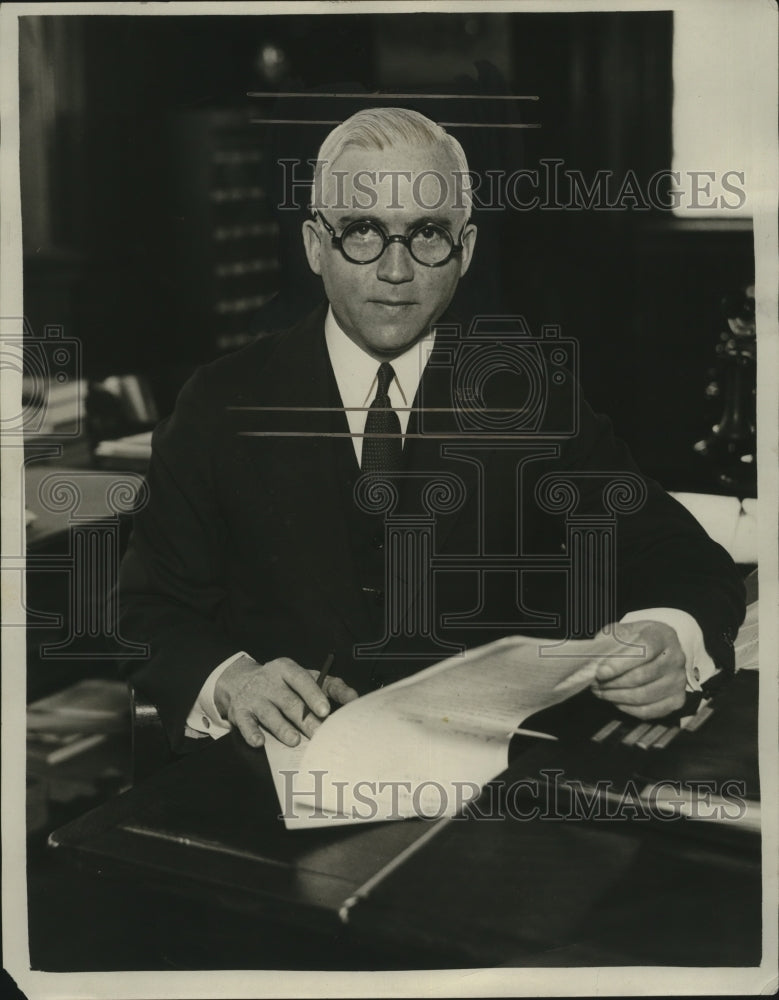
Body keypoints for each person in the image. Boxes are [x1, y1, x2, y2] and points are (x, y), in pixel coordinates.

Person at [119, 107, 745, 755]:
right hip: (272, 787)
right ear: (313, 244)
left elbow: (682, 560)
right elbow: (147, 610)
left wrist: (667, 637)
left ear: (464, 250)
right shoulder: (221, 403)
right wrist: (232, 681)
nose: (396, 271)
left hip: (490, 797)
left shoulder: (526, 397)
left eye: (426, 234)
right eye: (362, 231)